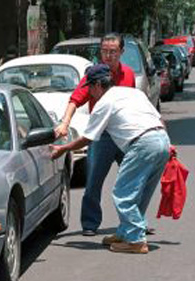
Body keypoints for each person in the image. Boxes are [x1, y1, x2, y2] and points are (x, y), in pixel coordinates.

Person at [50, 64, 170, 254]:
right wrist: (167, 146)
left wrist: (63, 149)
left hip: (142, 143)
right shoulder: (133, 93)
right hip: (161, 139)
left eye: (90, 87)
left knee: (123, 194)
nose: (89, 91)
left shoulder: (104, 103)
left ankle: (136, 239)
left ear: (98, 85)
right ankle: (125, 232)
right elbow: (159, 118)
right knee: (139, 193)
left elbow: (88, 139)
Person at [54, 33, 136, 236]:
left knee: (134, 178)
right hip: (102, 136)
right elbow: (75, 99)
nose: (108, 56)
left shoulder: (129, 74)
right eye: (105, 51)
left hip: (125, 136)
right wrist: (65, 123)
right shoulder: (95, 74)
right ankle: (90, 223)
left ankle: (135, 222)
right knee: (93, 181)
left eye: (113, 51)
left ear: (121, 52)